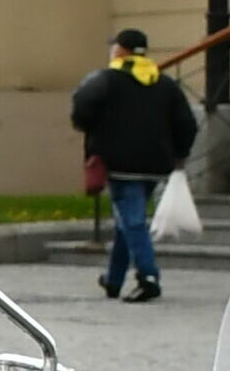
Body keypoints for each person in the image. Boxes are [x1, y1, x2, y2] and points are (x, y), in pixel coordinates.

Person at [71, 27, 199, 304]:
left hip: (119, 164)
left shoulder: (106, 80)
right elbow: (187, 123)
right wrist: (179, 152)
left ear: (120, 51)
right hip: (156, 164)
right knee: (125, 222)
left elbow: (81, 109)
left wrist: (95, 132)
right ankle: (114, 280)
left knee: (133, 221)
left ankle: (148, 276)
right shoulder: (164, 84)